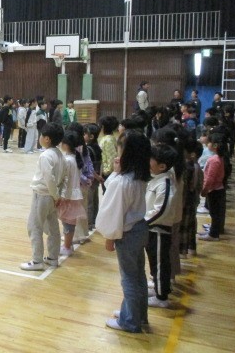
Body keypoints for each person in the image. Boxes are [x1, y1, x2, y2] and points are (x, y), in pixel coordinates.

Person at [96, 130, 151, 333]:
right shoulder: (139, 177)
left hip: (126, 233)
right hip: (140, 229)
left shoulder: (122, 182)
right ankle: (137, 314)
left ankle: (129, 321)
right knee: (138, 275)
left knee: (128, 278)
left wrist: (109, 238)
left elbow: (113, 211)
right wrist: (117, 171)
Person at [20, 123, 66, 271]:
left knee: (34, 226)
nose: (39, 137)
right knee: (53, 227)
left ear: (46, 139)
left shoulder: (45, 156)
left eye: (41, 135)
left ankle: (37, 260)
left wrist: (55, 195)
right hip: (53, 197)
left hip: (42, 195)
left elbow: (49, 178)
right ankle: (53, 258)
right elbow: (63, 177)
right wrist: (58, 196)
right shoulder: (60, 154)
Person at [144, 144, 178, 309]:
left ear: (162, 166)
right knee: (155, 261)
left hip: (158, 230)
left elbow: (161, 209)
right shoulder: (156, 179)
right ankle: (159, 287)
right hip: (152, 229)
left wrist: (144, 221)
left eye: (151, 159)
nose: (148, 161)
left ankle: (161, 297)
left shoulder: (165, 183)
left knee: (159, 263)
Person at [58, 130, 87, 256]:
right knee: (69, 221)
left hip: (68, 195)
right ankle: (68, 245)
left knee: (67, 222)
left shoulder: (68, 160)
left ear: (66, 145)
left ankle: (67, 246)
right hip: (74, 193)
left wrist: (61, 195)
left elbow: (64, 179)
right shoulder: (75, 158)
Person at [198, 133, 227, 242]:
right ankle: (212, 231)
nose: (208, 143)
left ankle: (214, 235)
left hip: (214, 190)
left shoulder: (214, 160)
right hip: (216, 189)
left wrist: (205, 190)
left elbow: (210, 178)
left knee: (214, 213)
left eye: (210, 142)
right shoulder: (218, 158)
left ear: (215, 145)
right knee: (214, 213)